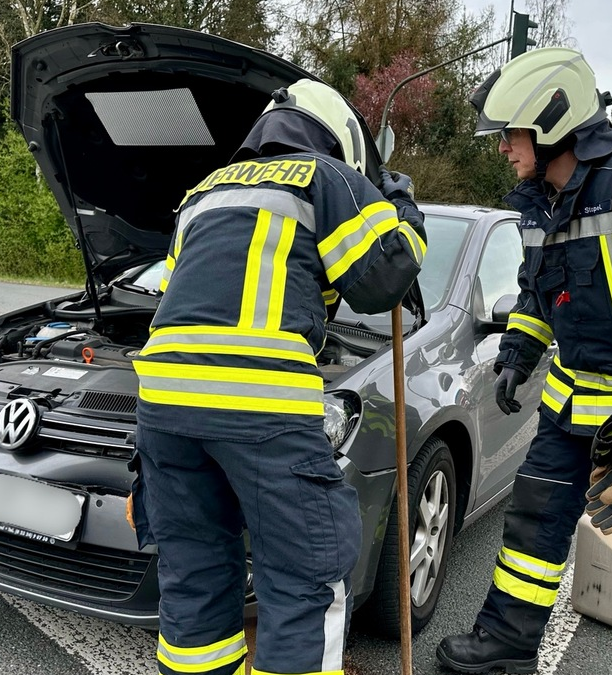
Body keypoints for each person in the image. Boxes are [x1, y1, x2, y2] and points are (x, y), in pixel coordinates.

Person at [436, 47, 612, 675]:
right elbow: (542, 290)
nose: (504, 148)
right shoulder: (538, 199)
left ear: (548, 119)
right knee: (531, 535)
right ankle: (505, 648)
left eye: (510, 134)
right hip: (572, 406)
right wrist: (518, 352)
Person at [127, 78, 426, 675]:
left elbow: (185, 287)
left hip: (163, 407)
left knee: (194, 576)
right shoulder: (326, 177)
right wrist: (399, 206)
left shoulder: (201, 193)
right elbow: (385, 277)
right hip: (258, 407)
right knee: (304, 579)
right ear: (335, 137)